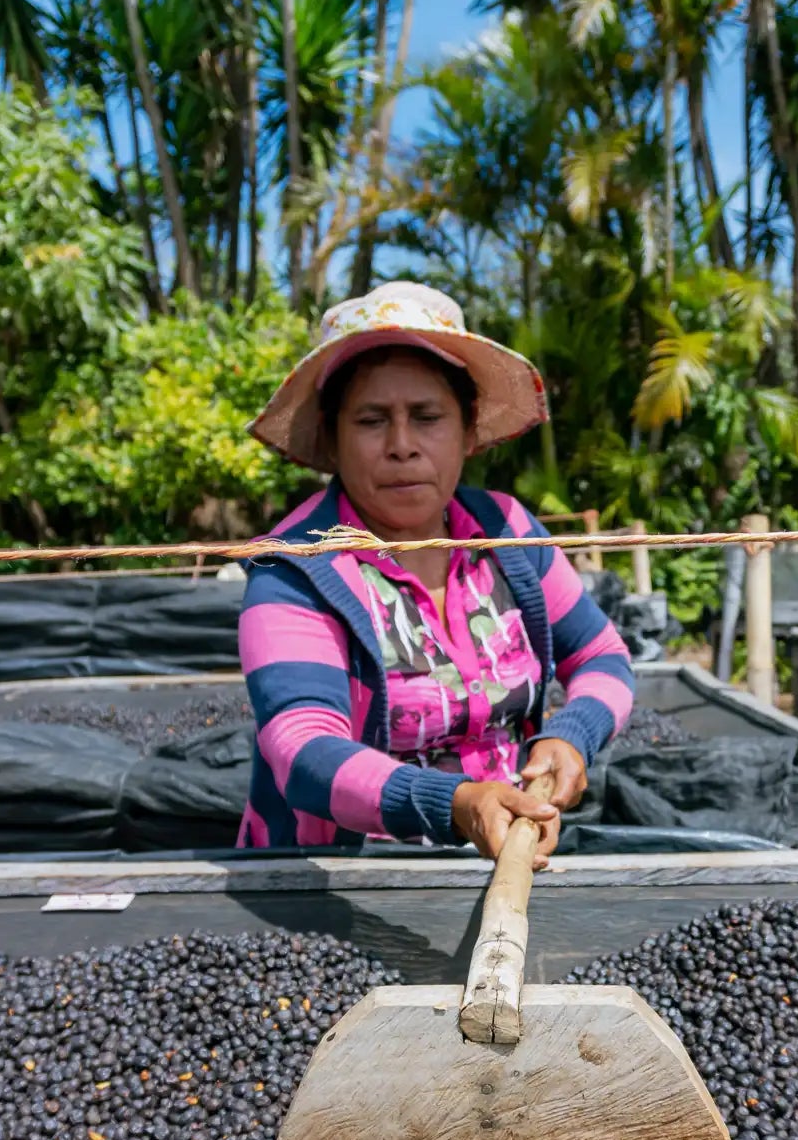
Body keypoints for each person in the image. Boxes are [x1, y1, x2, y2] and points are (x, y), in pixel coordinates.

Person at [238, 280, 634, 862]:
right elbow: (302, 748)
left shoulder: (507, 530)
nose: (402, 445)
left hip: (513, 857)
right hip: (341, 881)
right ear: (333, 435)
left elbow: (602, 655)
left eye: (427, 417)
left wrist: (571, 736)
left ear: (468, 428)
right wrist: (453, 803)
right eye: (372, 421)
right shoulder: (294, 565)